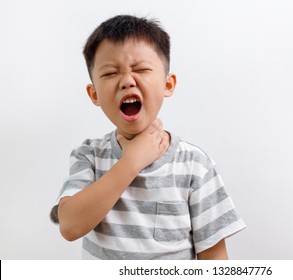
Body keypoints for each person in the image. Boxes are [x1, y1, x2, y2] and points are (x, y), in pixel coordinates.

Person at [50, 14, 246, 260]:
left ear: (168, 84)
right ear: (94, 94)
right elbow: (69, 226)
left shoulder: (195, 164)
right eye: (110, 73)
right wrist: (130, 163)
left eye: (141, 69)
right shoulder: (89, 156)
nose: (127, 81)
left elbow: (215, 258)